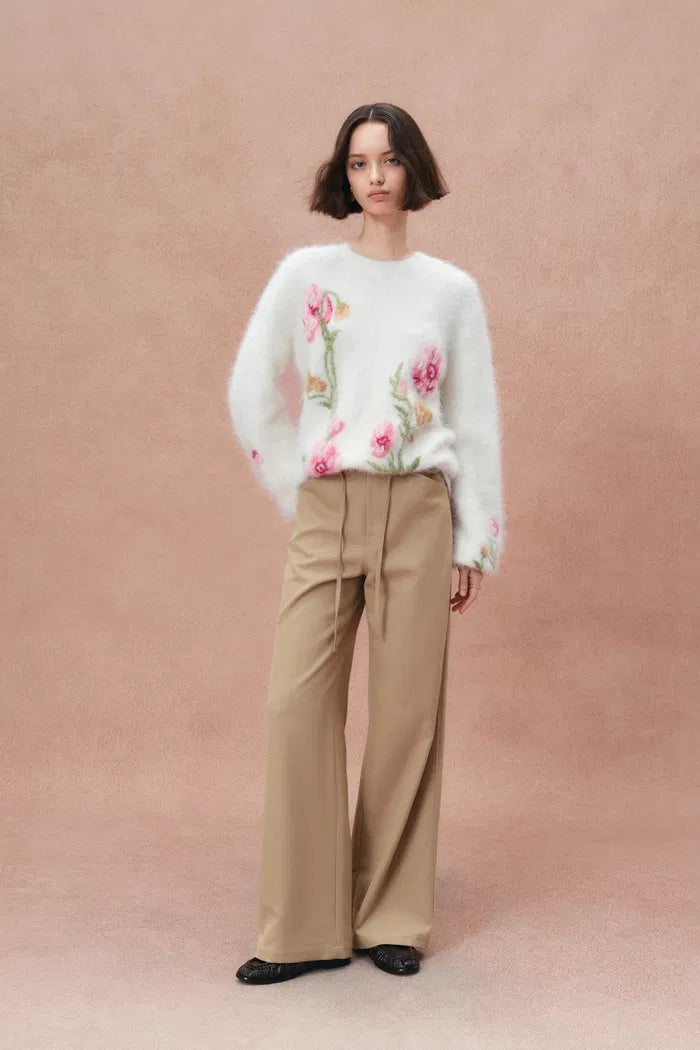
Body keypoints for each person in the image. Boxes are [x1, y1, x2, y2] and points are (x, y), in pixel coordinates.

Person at [227, 102, 505, 984]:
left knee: (407, 715)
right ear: (342, 176)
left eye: (388, 160)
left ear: (413, 168)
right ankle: (300, 926)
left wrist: (473, 538)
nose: (374, 177)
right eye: (358, 163)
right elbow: (249, 389)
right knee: (296, 706)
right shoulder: (306, 275)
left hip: (420, 509)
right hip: (329, 506)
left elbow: (473, 420)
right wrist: (295, 485)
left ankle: (391, 916)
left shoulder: (451, 293)